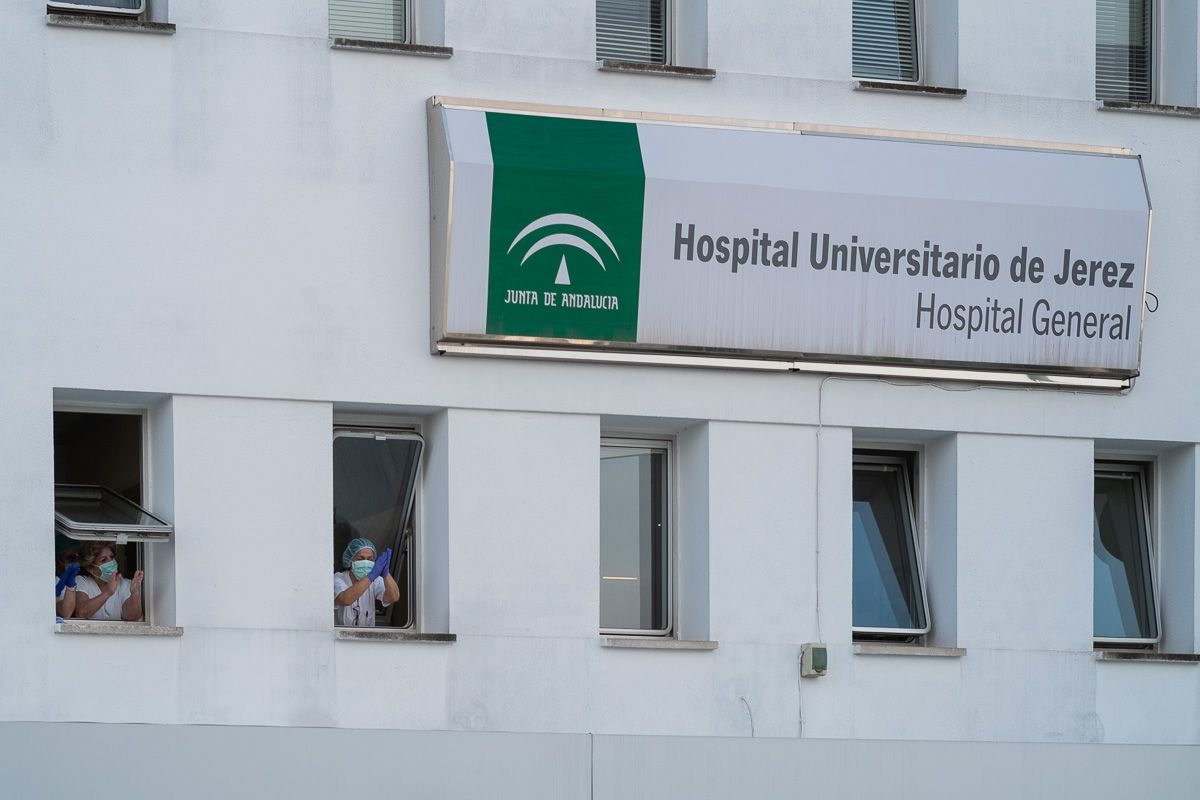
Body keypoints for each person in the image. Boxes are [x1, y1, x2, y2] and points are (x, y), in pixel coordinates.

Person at [334, 537, 399, 627]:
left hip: (366, 637)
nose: (365, 562)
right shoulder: (339, 578)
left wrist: (386, 574)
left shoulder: (376, 580)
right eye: (360, 559)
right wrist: (370, 576)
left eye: (369, 559)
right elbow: (344, 599)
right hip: (340, 638)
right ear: (350, 560)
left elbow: (394, 597)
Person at [73, 542, 143, 622]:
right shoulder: (82, 581)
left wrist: (135, 593)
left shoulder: (125, 584)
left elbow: (132, 617)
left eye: (112, 557)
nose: (110, 562)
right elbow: (81, 613)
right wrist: (108, 592)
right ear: (91, 569)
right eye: (103, 560)